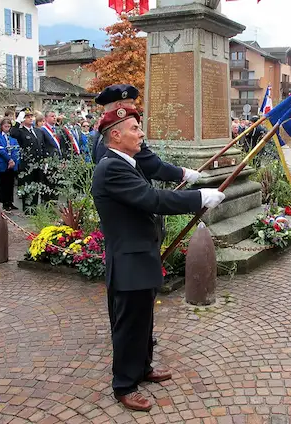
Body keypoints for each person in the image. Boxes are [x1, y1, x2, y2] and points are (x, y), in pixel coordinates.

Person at [92, 107, 225, 412]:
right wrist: (199, 197)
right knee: (128, 324)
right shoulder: (111, 167)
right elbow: (153, 200)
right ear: (116, 134)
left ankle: (142, 367)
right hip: (129, 260)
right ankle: (124, 384)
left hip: (140, 255)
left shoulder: (127, 162)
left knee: (144, 320)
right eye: (135, 129)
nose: (141, 134)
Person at [10, 108, 44, 213]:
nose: (30, 119)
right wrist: (18, 122)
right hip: (27, 164)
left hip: (37, 163)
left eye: (31, 117)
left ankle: (34, 207)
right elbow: (13, 133)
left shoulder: (37, 131)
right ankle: (28, 209)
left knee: (36, 186)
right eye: (27, 117)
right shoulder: (20, 131)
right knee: (27, 186)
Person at [0, 119, 19, 211]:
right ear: (1, 127)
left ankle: (10, 202)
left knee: (10, 183)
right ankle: (4, 202)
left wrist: (13, 160)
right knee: (4, 183)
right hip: (3, 163)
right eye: (5, 126)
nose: (7, 128)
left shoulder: (13, 137)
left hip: (12, 163)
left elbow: (16, 148)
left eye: (9, 127)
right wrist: (9, 160)